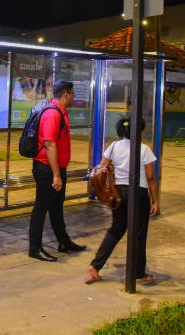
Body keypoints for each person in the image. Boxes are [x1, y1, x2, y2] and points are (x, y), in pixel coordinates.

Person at [85, 116, 159, 285]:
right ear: (138, 131)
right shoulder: (144, 149)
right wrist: (155, 201)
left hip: (118, 194)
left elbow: (101, 168)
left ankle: (95, 267)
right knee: (139, 234)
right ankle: (138, 273)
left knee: (115, 230)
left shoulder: (114, 146)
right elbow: (150, 177)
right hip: (138, 194)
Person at [28, 79, 86, 262]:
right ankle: (34, 248)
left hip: (56, 168)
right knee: (41, 208)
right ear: (66, 93)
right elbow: (50, 145)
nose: (73, 97)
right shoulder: (52, 114)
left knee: (56, 207)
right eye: (73, 94)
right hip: (47, 169)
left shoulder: (61, 112)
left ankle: (64, 242)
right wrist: (55, 175)